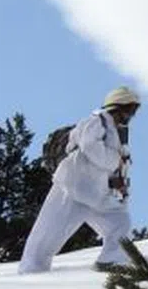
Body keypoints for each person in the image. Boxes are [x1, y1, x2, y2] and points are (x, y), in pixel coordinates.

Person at [17, 86, 141, 273]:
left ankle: (112, 260)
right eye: (129, 108)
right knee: (47, 235)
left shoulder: (119, 133)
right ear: (118, 106)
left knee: (120, 223)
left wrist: (121, 188)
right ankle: (31, 270)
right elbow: (90, 147)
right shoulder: (97, 121)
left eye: (133, 109)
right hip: (73, 188)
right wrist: (115, 160)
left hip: (99, 195)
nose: (131, 114)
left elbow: (118, 166)